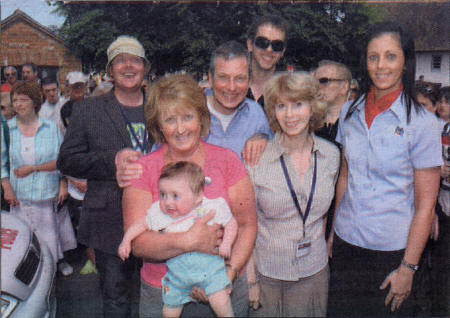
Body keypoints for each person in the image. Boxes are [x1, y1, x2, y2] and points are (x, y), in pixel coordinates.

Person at [117, 73, 257, 317]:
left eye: (188, 117)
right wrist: (189, 241)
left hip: (224, 288)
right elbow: (138, 243)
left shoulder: (227, 161)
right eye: (170, 120)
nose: (180, 129)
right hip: (164, 292)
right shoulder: (143, 170)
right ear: (159, 126)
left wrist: (229, 273)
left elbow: (246, 225)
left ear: (201, 118)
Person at [327, 22, 442, 317]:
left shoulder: (422, 124)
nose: (380, 66)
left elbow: (426, 205)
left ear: (405, 61)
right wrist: (332, 234)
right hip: (346, 243)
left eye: (390, 56)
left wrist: (408, 267)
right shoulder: (348, 113)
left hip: (391, 254)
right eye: (373, 56)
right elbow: (345, 175)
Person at [57, 35, 151, 318]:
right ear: (110, 70)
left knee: (159, 295)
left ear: (144, 67)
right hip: (109, 222)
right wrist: (111, 162)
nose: (128, 66)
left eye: (135, 59)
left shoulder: (160, 106)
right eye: (120, 60)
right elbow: (66, 160)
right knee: (116, 299)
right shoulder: (88, 110)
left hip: (160, 217)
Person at [245, 72, 339, 317]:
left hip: (314, 271)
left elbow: (324, 214)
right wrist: (251, 280)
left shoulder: (331, 155)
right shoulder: (256, 159)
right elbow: (245, 223)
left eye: (298, 104)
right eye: (281, 106)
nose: (290, 115)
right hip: (267, 275)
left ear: (312, 107)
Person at [119, 161, 238, 317]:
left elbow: (231, 222)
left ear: (197, 197)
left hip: (211, 274)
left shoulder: (209, 207)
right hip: (177, 279)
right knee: (169, 312)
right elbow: (140, 224)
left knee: (221, 302)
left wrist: (227, 243)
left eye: (175, 196)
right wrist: (126, 241)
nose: (168, 202)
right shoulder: (160, 214)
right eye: (163, 195)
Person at [1, 81, 66, 267]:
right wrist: (6, 187)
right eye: (15, 100)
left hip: (45, 194)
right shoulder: (6, 128)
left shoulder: (50, 127)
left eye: (23, 100)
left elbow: (62, 159)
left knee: (48, 238)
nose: (18, 104)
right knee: (22, 241)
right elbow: (2, 161)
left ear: (35, 102)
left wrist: (62, 183)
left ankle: (52, 273)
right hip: (19, 197)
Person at [205, 41, 272, 164]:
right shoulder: (190, 110)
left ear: (249, 81)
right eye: (223, 77)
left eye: (239, 78)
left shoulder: (255, 114)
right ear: (210, 79)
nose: (231, 87)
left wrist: (264, 138)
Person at [246, 15, 289, 108]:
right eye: (262, 42)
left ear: (282, 52)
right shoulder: (232, 89)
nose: (269, 50)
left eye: (277, 45)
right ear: (250, 45)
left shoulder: (289, 94)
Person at [313, 60, 351, 144]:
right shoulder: (309, 124)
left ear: (344, 87)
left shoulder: (358, 124)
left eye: (323, 81)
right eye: (313, 82)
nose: (317, 87)